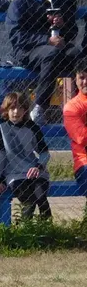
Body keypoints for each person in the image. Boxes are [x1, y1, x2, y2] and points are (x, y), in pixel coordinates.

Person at [6, 0, 80, 123]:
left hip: (54, 48)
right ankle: (39, 107)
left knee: (77, 54)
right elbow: (15, 35)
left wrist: (62, 26)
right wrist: (46, 40)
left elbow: (73, 31)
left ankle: (79, 106)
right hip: (26, 50)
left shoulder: (59, 0)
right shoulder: (20, 2)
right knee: (51, 54)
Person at [0, 92, 52, 220]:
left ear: (25, 110)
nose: (16, 112)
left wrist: (38, 166)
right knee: (29, 200)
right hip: (14, 173)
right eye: (12, 108)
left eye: (21, 108)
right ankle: (26, 230)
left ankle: (47, 230)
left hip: (33, 171)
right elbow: (0, 154)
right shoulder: (1, 127)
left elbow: (44, 152)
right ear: (6, 110)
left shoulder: (32, 127)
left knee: (41, 196)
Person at [62, 59, 87, 193]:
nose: (85, 82)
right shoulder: (71, 107)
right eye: (82, 77)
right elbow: (82, 138)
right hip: (84, 162)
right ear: (76, 80)